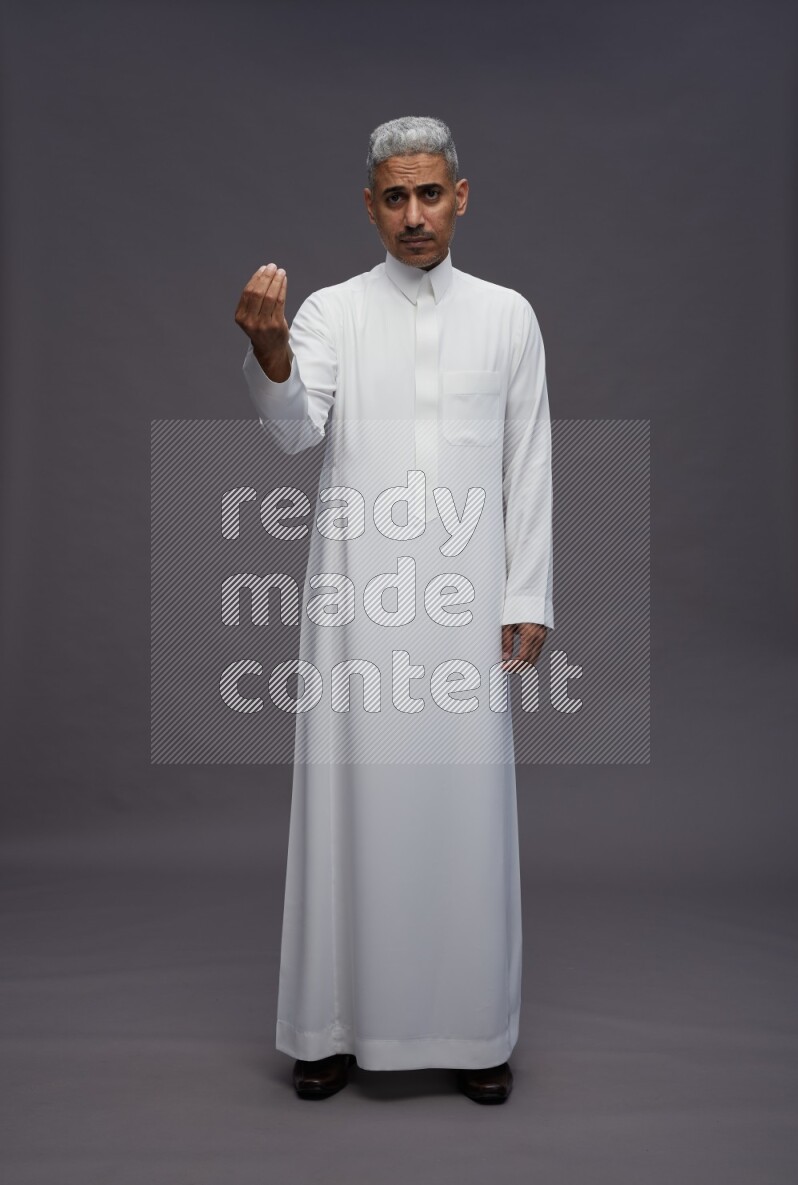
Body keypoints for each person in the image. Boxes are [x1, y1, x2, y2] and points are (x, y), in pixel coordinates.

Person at [234, 115, 554, 1104]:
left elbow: (527, 459)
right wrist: (275, 347)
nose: (411, 216)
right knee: (349, 801)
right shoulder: (332, 312)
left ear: (460, 197)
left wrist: (527, 591)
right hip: (357, 598)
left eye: (428, 195)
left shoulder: (507, 315)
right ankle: (328, 1028)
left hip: (464, 606)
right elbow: (293, 433)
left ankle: (471, 1034)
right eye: (392, 197)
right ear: (368, 205)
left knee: (463, 811)